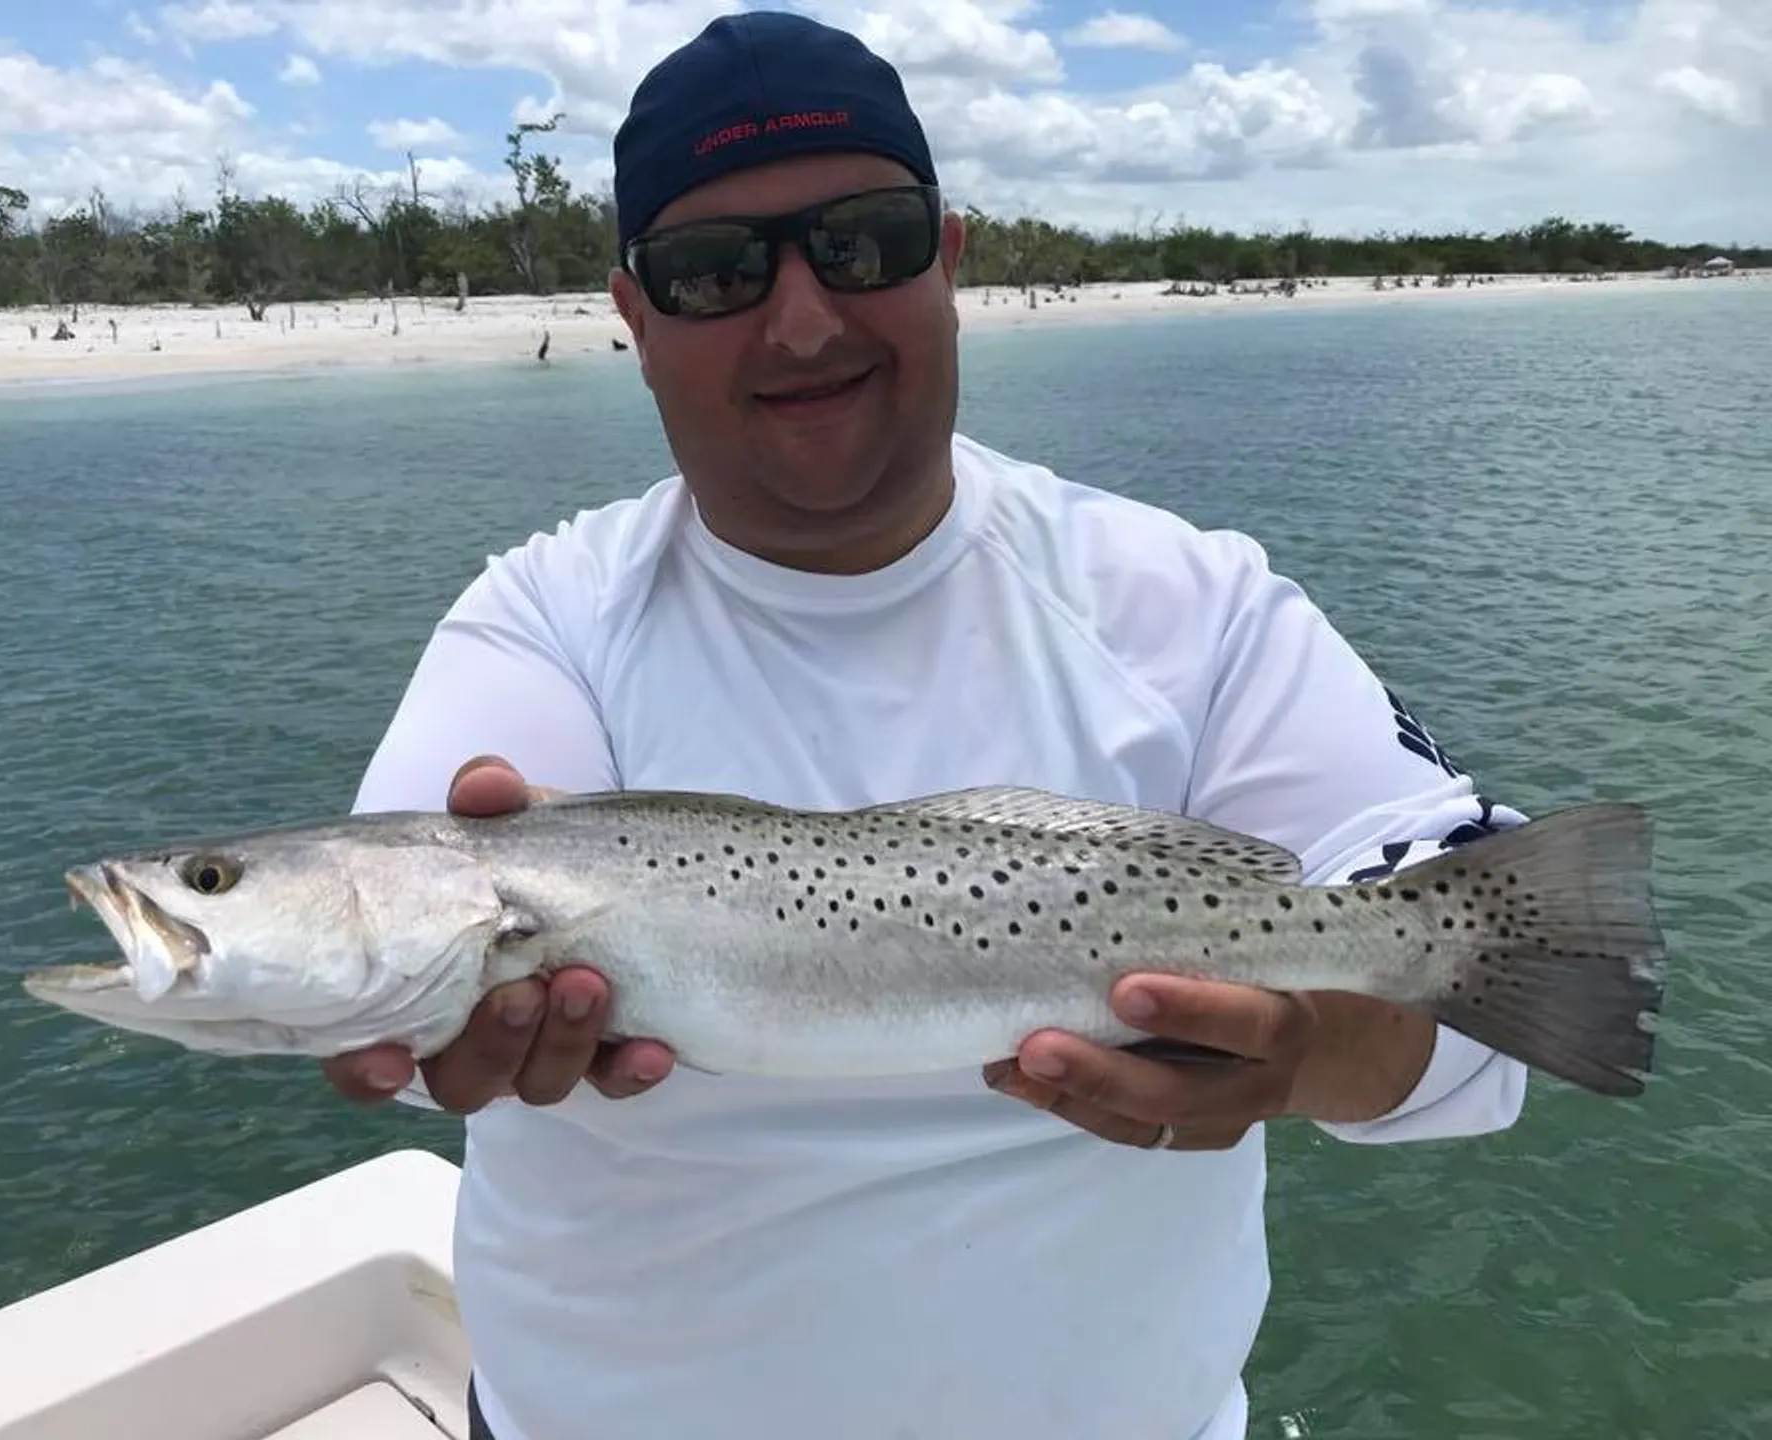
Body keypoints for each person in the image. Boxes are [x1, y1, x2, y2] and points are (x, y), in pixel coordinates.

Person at [323, 11, 1529, 1438]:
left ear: (950, 262)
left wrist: (1303, 1050)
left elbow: (1495, 998)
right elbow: (403, 1000)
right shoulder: (545, 620)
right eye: (715, 271)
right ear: (635, 319)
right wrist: (441, 1034)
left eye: (863, 244)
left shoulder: (1191, 603)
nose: (803, 320)